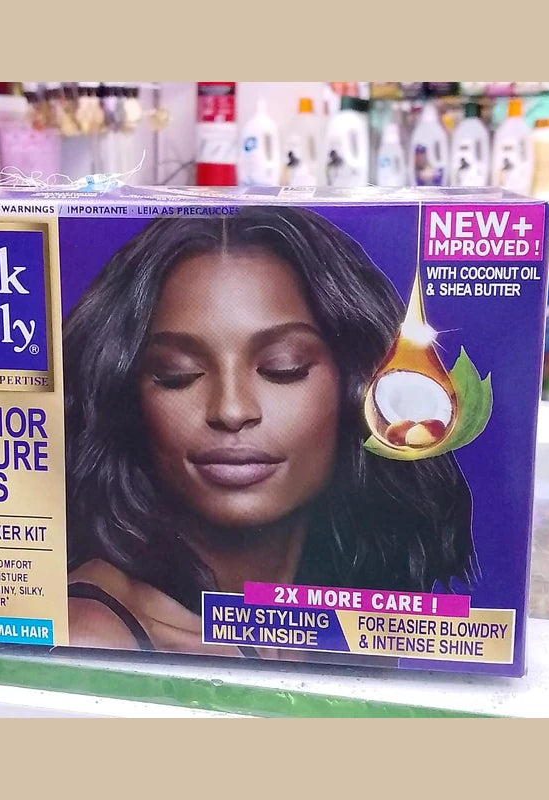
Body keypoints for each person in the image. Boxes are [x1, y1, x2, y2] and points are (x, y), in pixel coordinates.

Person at [62, 206, 476, 657]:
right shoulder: (94, 635)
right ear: (126, 397)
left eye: (283, 369)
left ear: (358, 384)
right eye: (177, 374)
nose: (232, 410)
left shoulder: (358, 626)